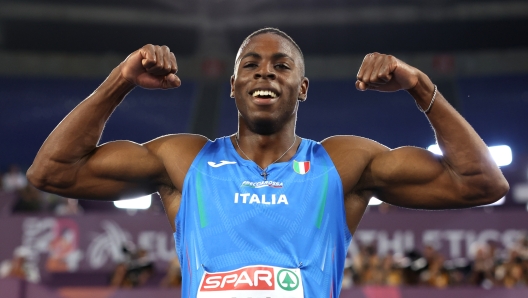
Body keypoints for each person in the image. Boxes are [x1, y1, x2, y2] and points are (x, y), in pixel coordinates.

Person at [27, 28, 508, 297]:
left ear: (301, 89)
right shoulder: (184, 159)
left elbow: (482, 184)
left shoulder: (342, 162)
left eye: (281, 66)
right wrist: (121, 79)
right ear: (234, 86)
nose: (265, 73)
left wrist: (421, 88)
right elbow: (52, 172)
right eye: (251, 65)